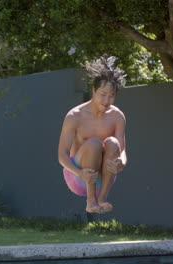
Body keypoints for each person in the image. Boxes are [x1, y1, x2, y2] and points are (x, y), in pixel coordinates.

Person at [58, 55, 127, 214]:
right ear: (94, 91)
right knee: (95, 143)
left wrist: (121, 163)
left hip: (104, 178)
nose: (107, 100)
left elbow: (122, 152)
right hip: (78, 177)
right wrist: (80, 173)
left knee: (112, 142)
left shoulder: (117, 116)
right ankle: (91, 201)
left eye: (111, 96)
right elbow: (62, 156)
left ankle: (102, 199)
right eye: (103, 94)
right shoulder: (75, 116)